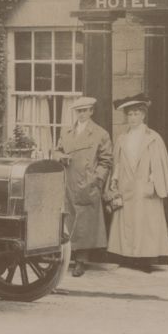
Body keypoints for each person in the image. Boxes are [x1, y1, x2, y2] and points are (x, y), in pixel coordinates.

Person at [106, 93, 168, 272]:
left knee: (146, 222)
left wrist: (152, 181)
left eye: (136, 114)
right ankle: (128, 257)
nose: (133, 118)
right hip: (126, 185)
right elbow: (118, 162)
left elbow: (158, 163)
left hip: (145, 185)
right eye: (130, 114)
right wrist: (114, 180)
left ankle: (146, 259)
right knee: (127, 223)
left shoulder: (153, 137)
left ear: (143, 115)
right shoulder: (122, 139)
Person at [53, 96, 113, 277]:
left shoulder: (100, 133)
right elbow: (57, 150)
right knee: (69, 219)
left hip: (87, 183)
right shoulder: (67, 132)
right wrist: (59, 156)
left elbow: (106, 161)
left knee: (86, 222)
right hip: (69, 182)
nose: (82, 114)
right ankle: (68, 258)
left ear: (91, 112)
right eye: (79, 111)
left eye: (85, 110)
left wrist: (96, 180)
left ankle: (81, 260)